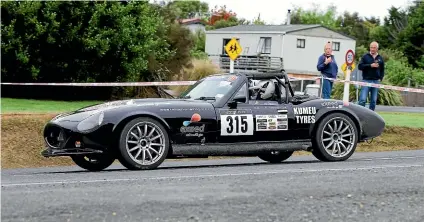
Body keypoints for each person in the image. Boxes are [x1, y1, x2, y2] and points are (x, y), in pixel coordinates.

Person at [358, 41, 385, 111]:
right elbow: (360, 66)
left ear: (377, 49)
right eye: (371, 47)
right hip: (366, 80)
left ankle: (371, 116)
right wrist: (370, 65)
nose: (372, 49)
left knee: (373, 101)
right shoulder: (365, 56)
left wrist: (381, 78)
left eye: (374, 48)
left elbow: (382, 69)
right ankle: (360, 113)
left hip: (376, 81)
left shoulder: (380, 58)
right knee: (362, 100)